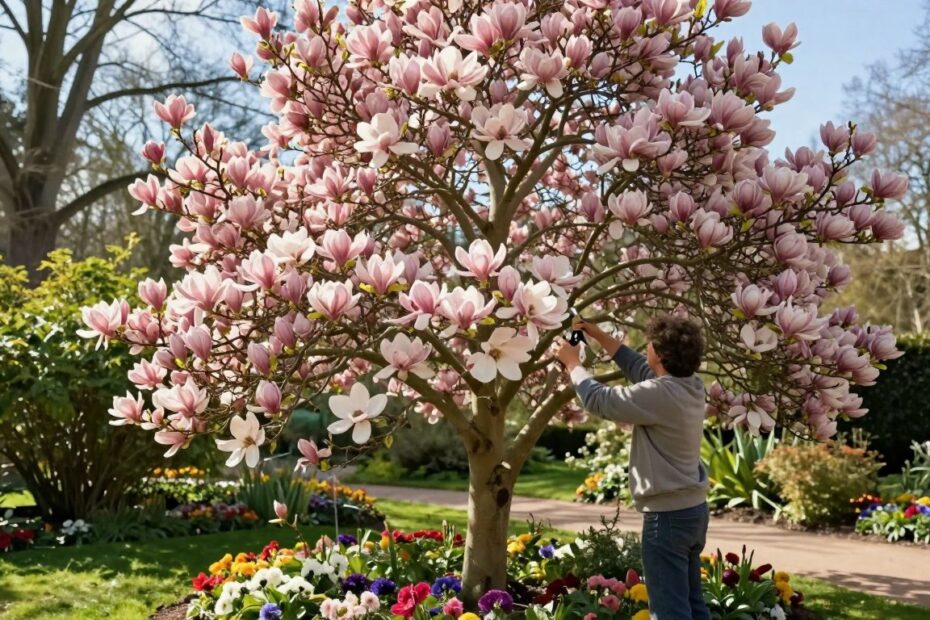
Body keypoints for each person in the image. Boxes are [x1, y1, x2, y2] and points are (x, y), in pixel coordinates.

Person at [555, 314, 710, 620]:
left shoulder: (660, 394)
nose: (646, 348)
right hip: (692, 511)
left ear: (661, 355)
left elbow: (599, 400)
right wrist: (599, 335)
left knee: (669, 611)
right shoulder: (690, 385)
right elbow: (640, 368)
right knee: (692, 604)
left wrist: (573, 362)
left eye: (650, 344)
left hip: (667, 519)